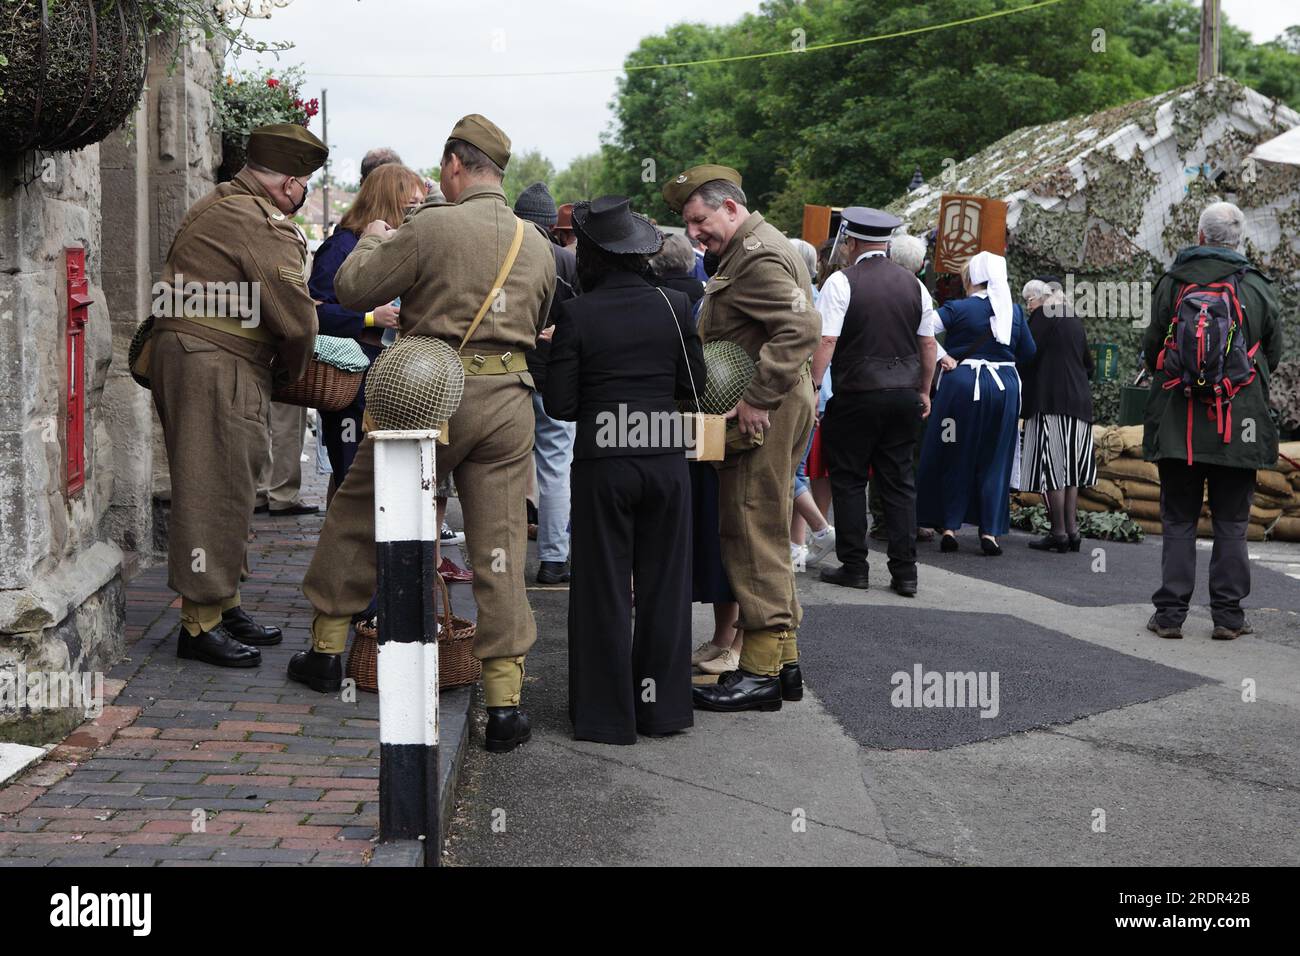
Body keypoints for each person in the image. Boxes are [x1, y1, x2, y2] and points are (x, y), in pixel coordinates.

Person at [297, 114, 556, 754]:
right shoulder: (536, 243)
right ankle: (503, 700)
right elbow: (543, 316)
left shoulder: (432, 225)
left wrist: (372, 238)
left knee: (358, 512)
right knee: (498, 545)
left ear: (453, 166)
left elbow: (355, 286)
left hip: (426, 393)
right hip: (508, 402)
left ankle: (329, 651)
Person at [150, 123, 326, 668]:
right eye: (304, 188)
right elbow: (297, 323)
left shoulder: (227, 202)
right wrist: (291, 378)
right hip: (213, 362)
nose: (301, 199)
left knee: (230, 480)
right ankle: (198, 623)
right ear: (290, 184)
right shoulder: (255, 220)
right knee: (212, 484)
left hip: (206, 357)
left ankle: (223, 602)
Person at [544, 196, 705, 743]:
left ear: (590, 254)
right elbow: (694, 388)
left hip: (603, 463)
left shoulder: (576, 313)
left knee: (602, 589)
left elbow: (563, 405)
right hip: (664, 458)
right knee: (665, 586)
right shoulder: (674, 307)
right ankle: (661, 710)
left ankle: (606, 716)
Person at [663, 165, 819, 713]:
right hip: (779, 402)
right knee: (766, 527)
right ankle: (784, 661)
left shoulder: (755, 256)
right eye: (688, 225)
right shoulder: (754, 246)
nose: (694, 233)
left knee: (751, 532)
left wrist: (757, 396)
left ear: (730, 207)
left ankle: (757, 675)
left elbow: (802, 327)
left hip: (764, 412)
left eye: (699, 220)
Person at [1142, 201, 1283, 641]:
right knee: (1232, 522)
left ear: (1200, 236)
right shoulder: (1257, 287)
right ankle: (1227, 616)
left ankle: (1169, 616)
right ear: (1237, 240)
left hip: (1179, 423)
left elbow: (1153, 350)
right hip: (1237, 425)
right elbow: (1272, 356)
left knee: (1179, 519)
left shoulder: (1172, 282)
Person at [813, 209, 937, 596]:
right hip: (903, 395)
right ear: (885, 243)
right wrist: (923, 390)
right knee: (898, 482)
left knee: (849, 479)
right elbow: (928, 344)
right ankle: (906, 572)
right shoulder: (914, 285)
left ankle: (855, 566)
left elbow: (827, 341)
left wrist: (815, 387)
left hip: (856, 394)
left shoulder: (841, 281)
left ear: (850, 243)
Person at [648, 234, 740, 675]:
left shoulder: (681, 300)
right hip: (702, 427)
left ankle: (740, 645)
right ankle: (725, 640)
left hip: (717, 424)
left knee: (733, 539)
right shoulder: (701, 297)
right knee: (715, 538)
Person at [309, 163, 425, 489]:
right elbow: (313, 312)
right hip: (350, 380)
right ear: (389, 202)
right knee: (353, 480)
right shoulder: (342, 245)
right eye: (409, 205)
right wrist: (371, 317)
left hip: (380, 376)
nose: (414, 212)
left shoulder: (392, 245)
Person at [916, 252, 1035, 555]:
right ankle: (990, 532)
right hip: (1004, 390)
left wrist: (944, 356)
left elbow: (923, 330)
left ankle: (949, 525)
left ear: (971, 279)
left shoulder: (958, 308)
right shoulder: (1016, 313)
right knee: (995, 458)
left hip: (962, 386)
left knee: (953, 450)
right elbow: (1029, 352)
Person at [516, 181, 580, 585]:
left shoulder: (501, 253)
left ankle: (497, 558)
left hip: (508, 375)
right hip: (554, 378)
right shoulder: (566, 262)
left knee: (501, 465)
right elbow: (583, 315)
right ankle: (554, 560)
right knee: (556, 467)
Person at [1019, 275, 1096, 552]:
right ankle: (1072, 531)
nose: (1029, 307)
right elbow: (1089, 365)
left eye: (1030, 300)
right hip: (1079, 403)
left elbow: (1026, 354)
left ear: (1042, 297)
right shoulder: (1073, 318)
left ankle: (1058, 532)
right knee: (1070, 471)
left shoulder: (1044, 317)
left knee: (1053, 469)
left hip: (1051, 401)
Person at [871, 232, 938, 543]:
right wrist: (926, 388)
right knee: (904, 457)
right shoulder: (922, 294)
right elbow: (928, 344)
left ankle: (883, 520)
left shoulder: (869, 285)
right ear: (921, 264)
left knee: (873, 454)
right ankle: (903, 523)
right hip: (908, 385)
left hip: (871, 380)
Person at [787, 237, 835, 571]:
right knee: (798, 468)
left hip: (803, 391)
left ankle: (819, 529)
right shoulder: (819, 298)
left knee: (788, 469)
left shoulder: (796, 299)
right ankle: (795, 546)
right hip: (820, 392)